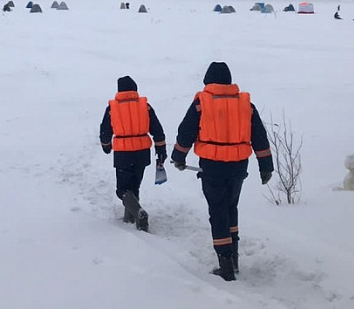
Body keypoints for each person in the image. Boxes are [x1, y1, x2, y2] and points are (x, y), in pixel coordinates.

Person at [171, 62, 274, 281]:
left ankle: (225, 264)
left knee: (217, 211)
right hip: (238, 166)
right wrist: (266, 166)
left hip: (213, 165)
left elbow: (186, 131)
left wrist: (178, 157)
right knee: (230, 207)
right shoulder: (246, 105)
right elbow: (260, 136)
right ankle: (233, 258)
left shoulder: (202, 103)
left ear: (208, 81)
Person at [99, 76, 167, 232]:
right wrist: (161, 150)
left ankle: (137, 213)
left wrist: (106, 146)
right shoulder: (145, 107)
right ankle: (130, 218)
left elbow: (105, 131)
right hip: (142, 152)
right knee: (134, 185)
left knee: (122, 190)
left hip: (123, 153)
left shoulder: (112, 108)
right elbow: (157, 130)